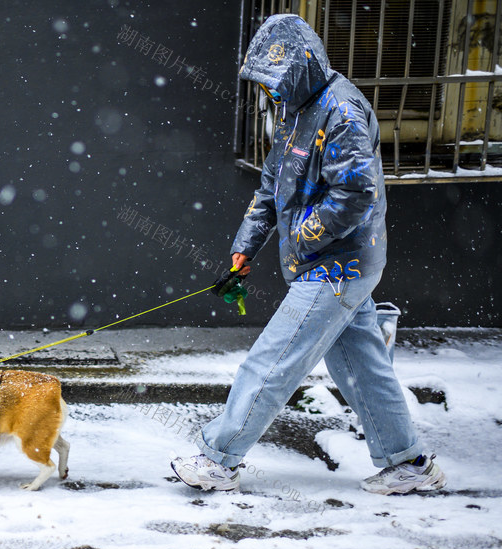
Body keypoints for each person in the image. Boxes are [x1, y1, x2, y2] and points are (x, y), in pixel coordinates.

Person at [171, 14, 444, 495]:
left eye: (277, 83)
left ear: (303, 67)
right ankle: (410, 464)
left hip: (340, 264)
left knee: (274, 361)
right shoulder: (294, 111)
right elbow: (270, 187)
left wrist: (300, 239)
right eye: (266, 86)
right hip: (327, 262)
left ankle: (218, 458)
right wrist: (245, 248)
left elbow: (357, 193)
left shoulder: (342, 113)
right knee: (361, 365)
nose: (271, 94)